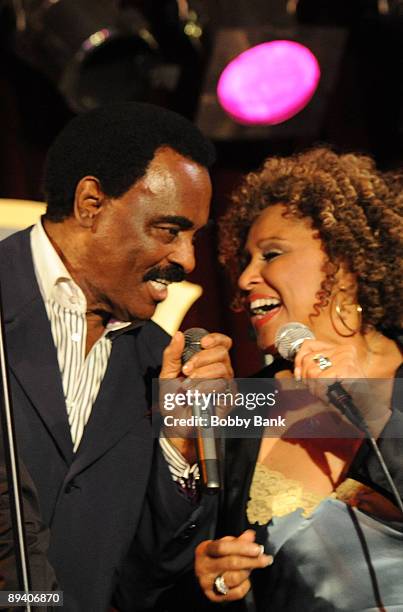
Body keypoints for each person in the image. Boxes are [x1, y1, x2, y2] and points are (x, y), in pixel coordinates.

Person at [0, 102, 233, 611]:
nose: (187, 260)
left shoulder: (157, 360)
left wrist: (178, 446)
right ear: (90, 203)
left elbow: (146, 577)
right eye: (169, 230)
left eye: (195, 237)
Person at [195, 147, 403, 611]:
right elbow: (173, 567)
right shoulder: (239, 406)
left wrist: (373, 412)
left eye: (271, 254)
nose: (247, 277)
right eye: (244, 261)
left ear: (344, 265)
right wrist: (211, 576)